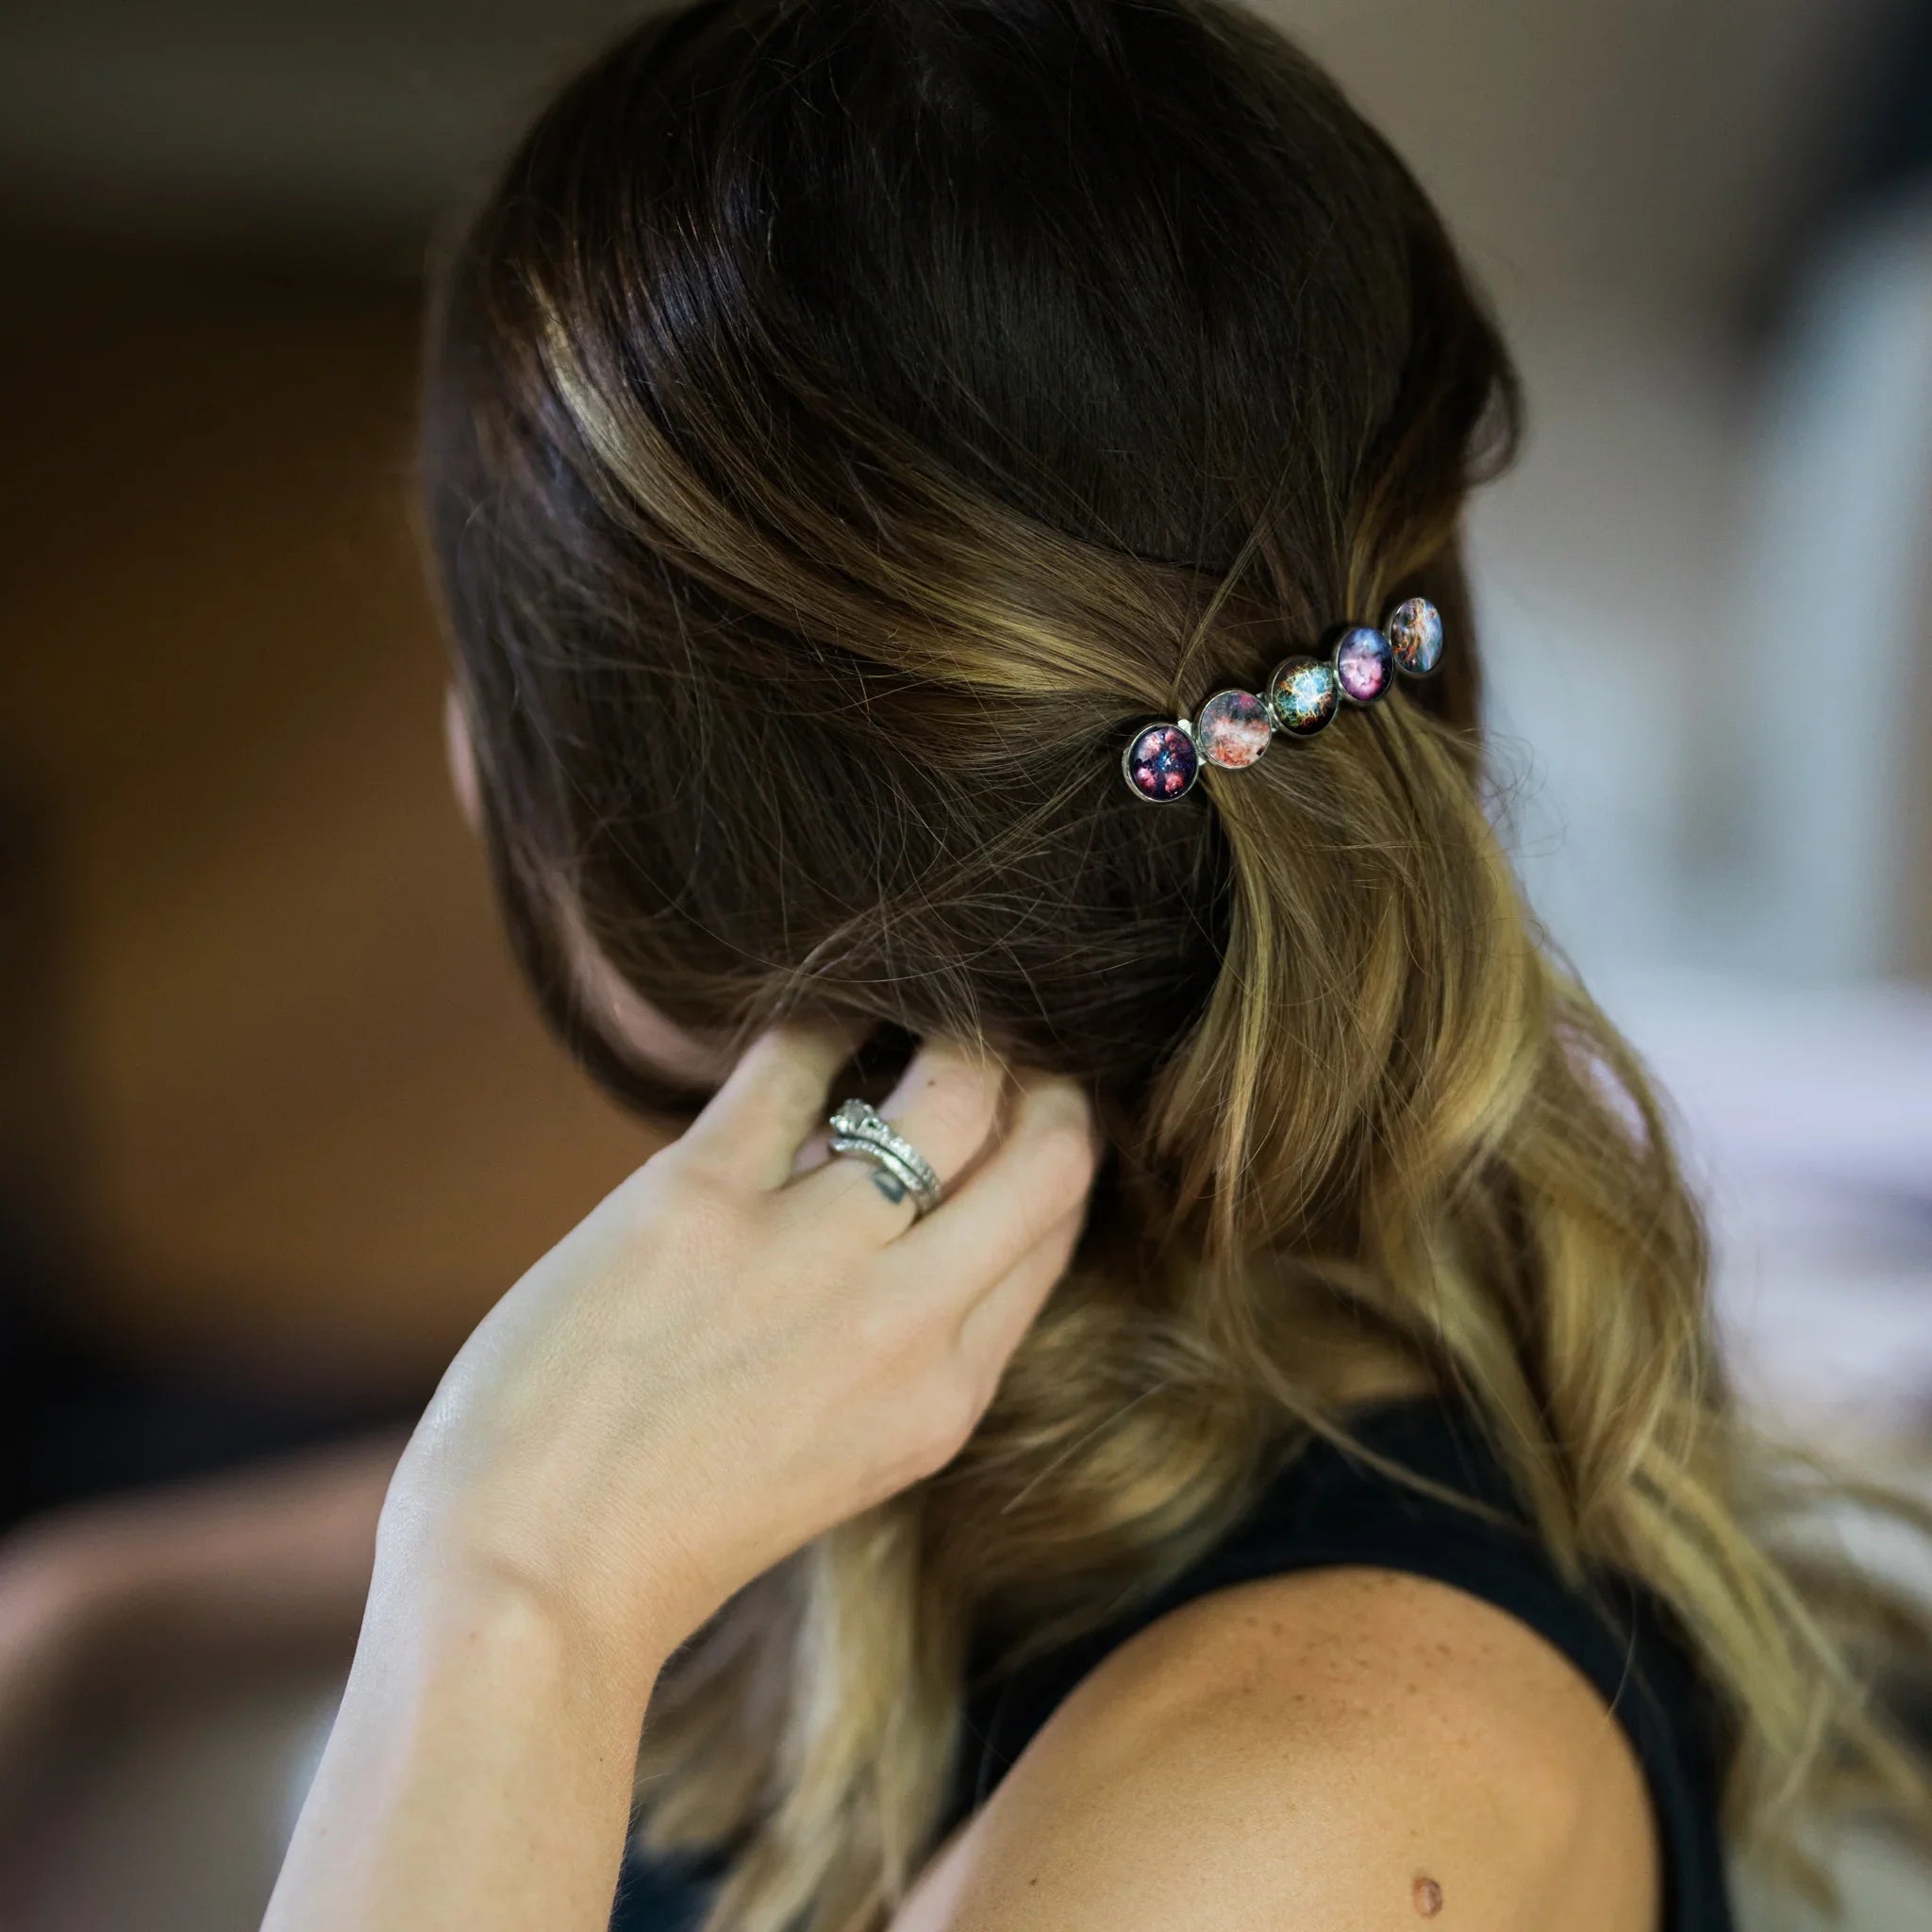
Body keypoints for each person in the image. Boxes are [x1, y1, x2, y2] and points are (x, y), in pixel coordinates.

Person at [261, 4, 1932, 1930]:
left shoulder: (1296, 1822)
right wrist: (109, 1618)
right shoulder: (961, 1340)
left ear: (611, 836)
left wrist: (516, 1595)